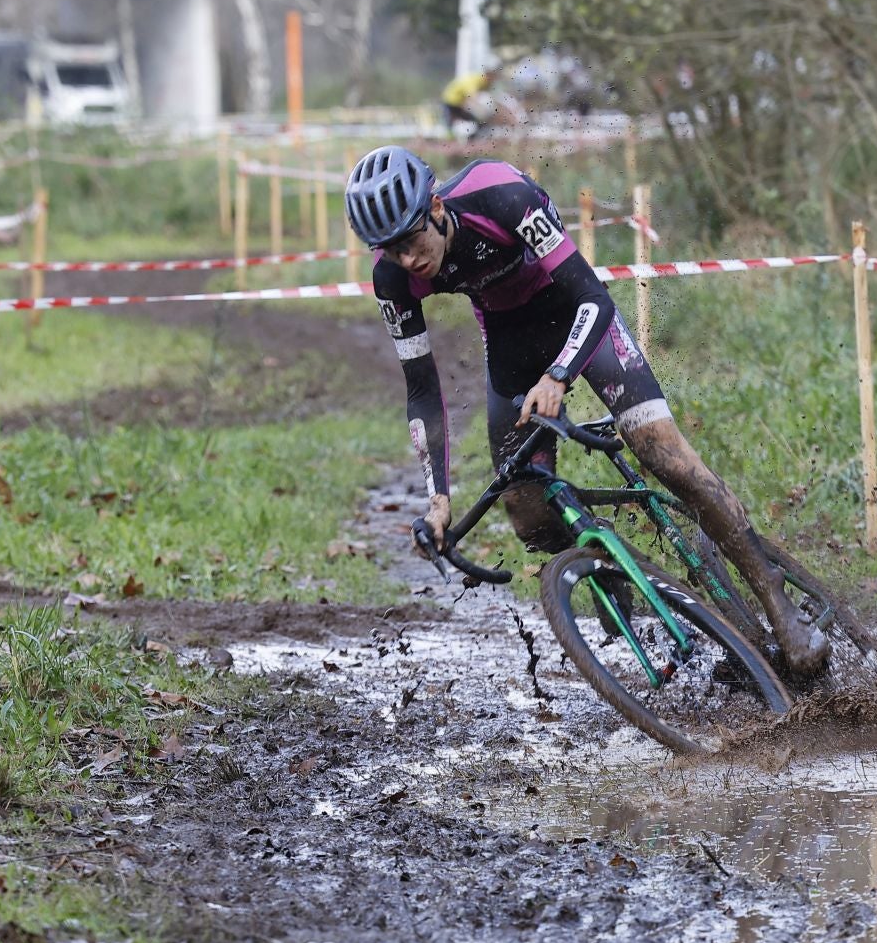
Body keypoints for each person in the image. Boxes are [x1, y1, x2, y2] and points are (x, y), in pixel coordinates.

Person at [343, 146, 830, 677]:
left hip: (578, 315)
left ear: (435, 208)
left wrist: (558, 376)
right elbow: (420, 389)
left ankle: (781, 611)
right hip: (511, 346)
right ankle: (605, 558)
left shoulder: (500, 195)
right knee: (530, 517)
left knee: (665, 457)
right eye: (391, 252)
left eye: (412, 242)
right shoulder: (392, 278)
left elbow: (594, 298)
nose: (409, 261)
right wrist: (438, 499)